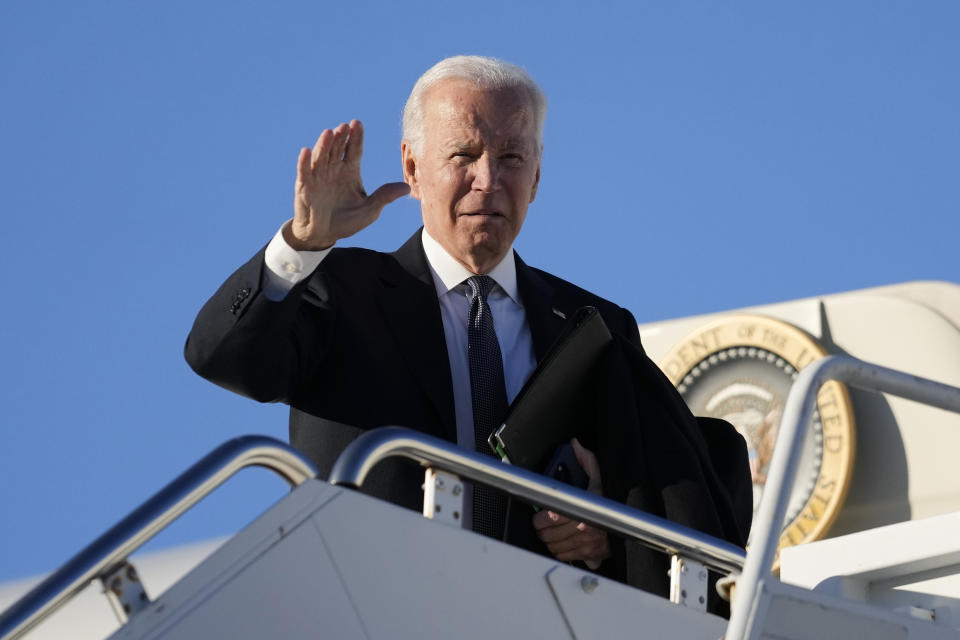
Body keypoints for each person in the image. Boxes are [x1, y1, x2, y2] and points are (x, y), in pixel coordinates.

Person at [186, 56, 749, 596]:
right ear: (412, 168)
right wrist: (302, 245)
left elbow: (659, 494)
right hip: (373, 605)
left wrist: (603, 523)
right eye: (464, 154)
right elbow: (222, 357)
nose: (487, 180)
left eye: (510, 158)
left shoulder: (595, 327)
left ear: (536, 177)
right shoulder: (339, 290)